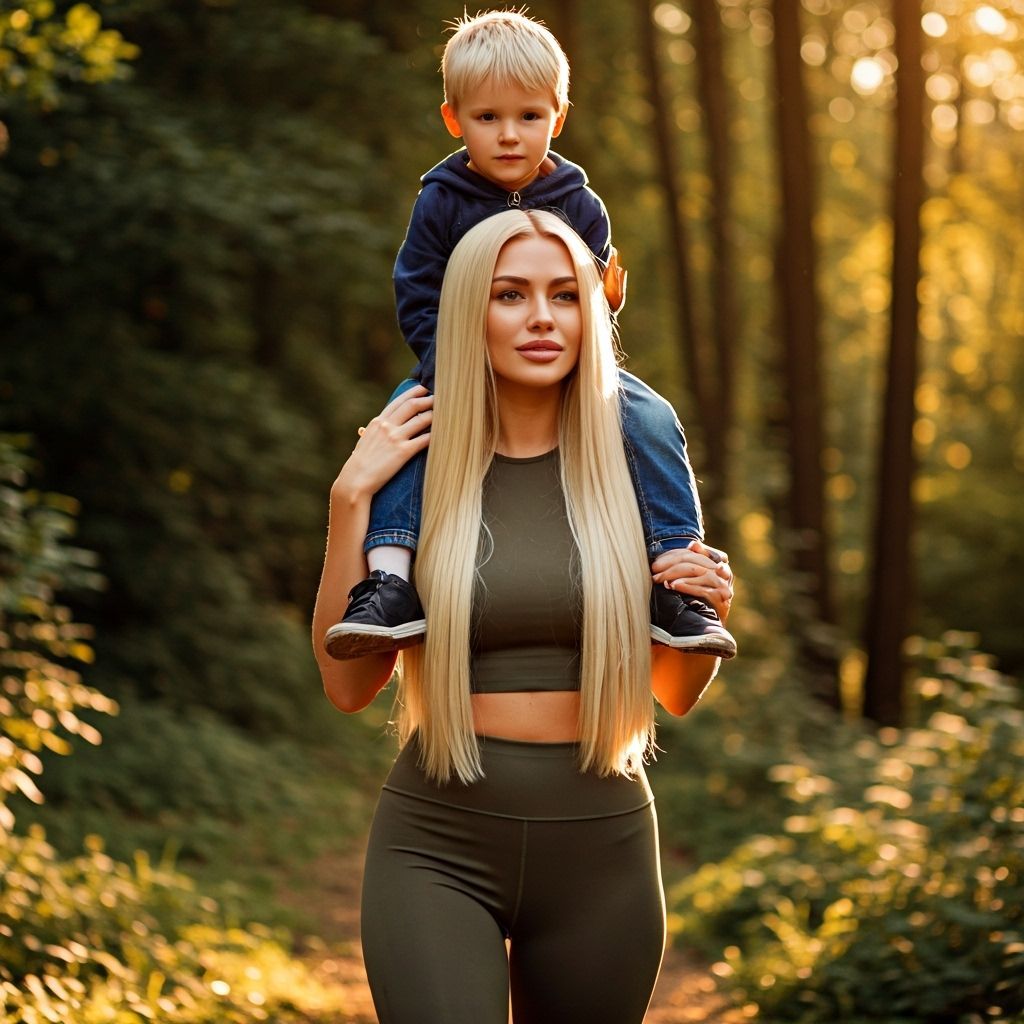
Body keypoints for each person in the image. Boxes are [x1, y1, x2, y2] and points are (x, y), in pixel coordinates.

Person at [311, 210, 734, 1024]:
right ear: (470, 312)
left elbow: (677, 692)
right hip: (437, 843)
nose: (542, 317)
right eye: (510, 294)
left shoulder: (636, 470)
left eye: (564, 295)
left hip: (602, 847)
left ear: (593, 311)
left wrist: (706, 601)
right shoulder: (414, 468)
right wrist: (348, 500)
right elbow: (347, 686)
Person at [323, 9, 736, 662]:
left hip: (569, 369)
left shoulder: (580, 206)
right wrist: (450, 369)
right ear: (454, 120)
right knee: (404, 429)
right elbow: (419, 293)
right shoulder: (441, 201)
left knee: (651, 414)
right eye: (488, 118)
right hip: (452, 362)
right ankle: (390, 581)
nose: (510, 136)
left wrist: (585, 338)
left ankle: (675, 577)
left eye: (529, 117)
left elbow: (591, 315)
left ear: (558, 118)